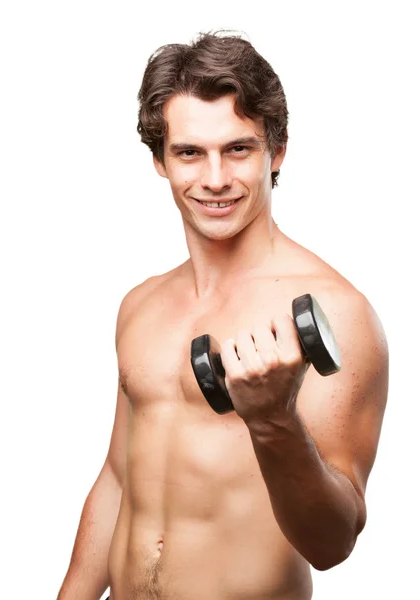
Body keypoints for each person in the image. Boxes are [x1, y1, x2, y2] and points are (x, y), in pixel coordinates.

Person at [57, 30, 389, 600]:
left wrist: (273, 419)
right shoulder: (141, 304)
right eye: (190, 152)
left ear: (275, 151)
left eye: (238, 149)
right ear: (160, 160)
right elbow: (118, 480)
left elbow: (334, 543)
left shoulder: (337, 312)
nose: (214, 179)